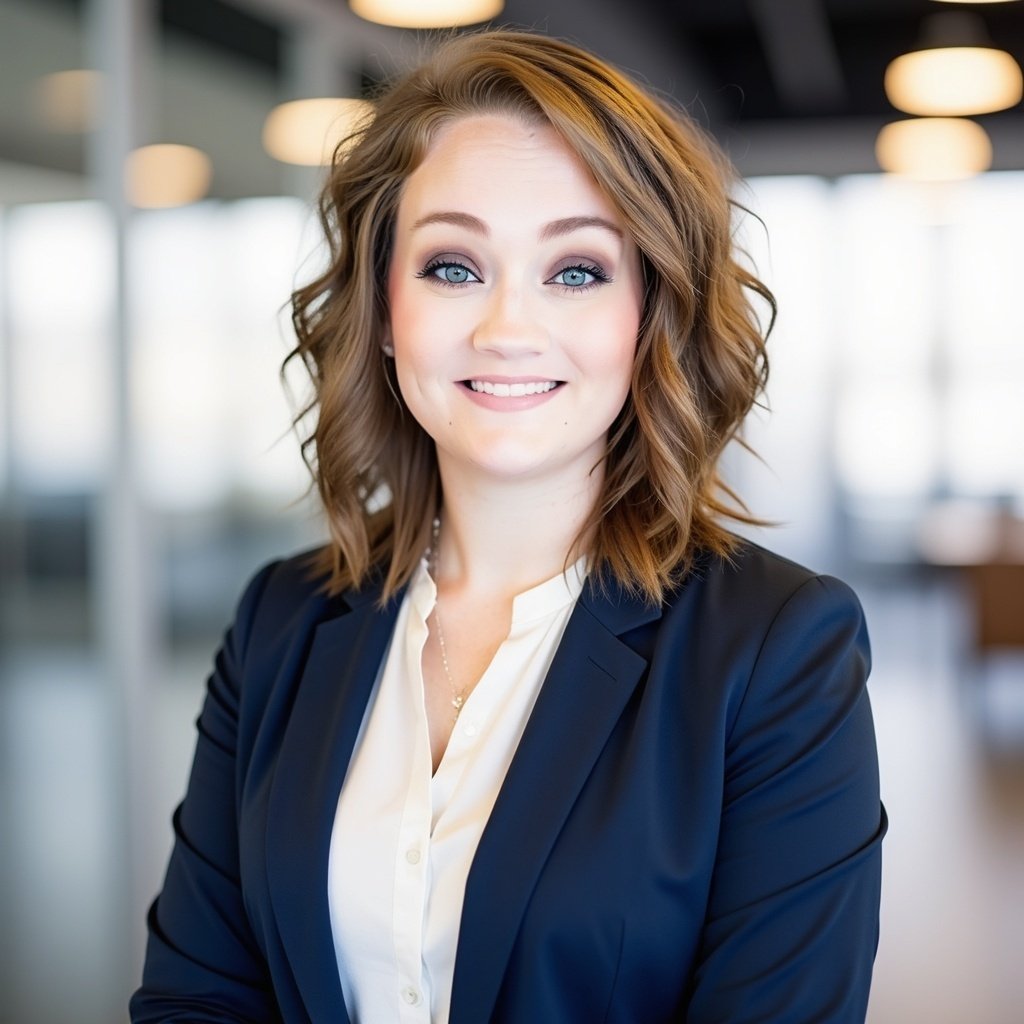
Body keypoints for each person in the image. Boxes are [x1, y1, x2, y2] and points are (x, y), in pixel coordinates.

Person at [130, 28, 886, 1024]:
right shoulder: (280, 620)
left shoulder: (776, 649)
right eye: (453, 266)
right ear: (384, 307)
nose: (506, 329)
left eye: (576, 270)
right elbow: (199, 997)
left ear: (648, 311)